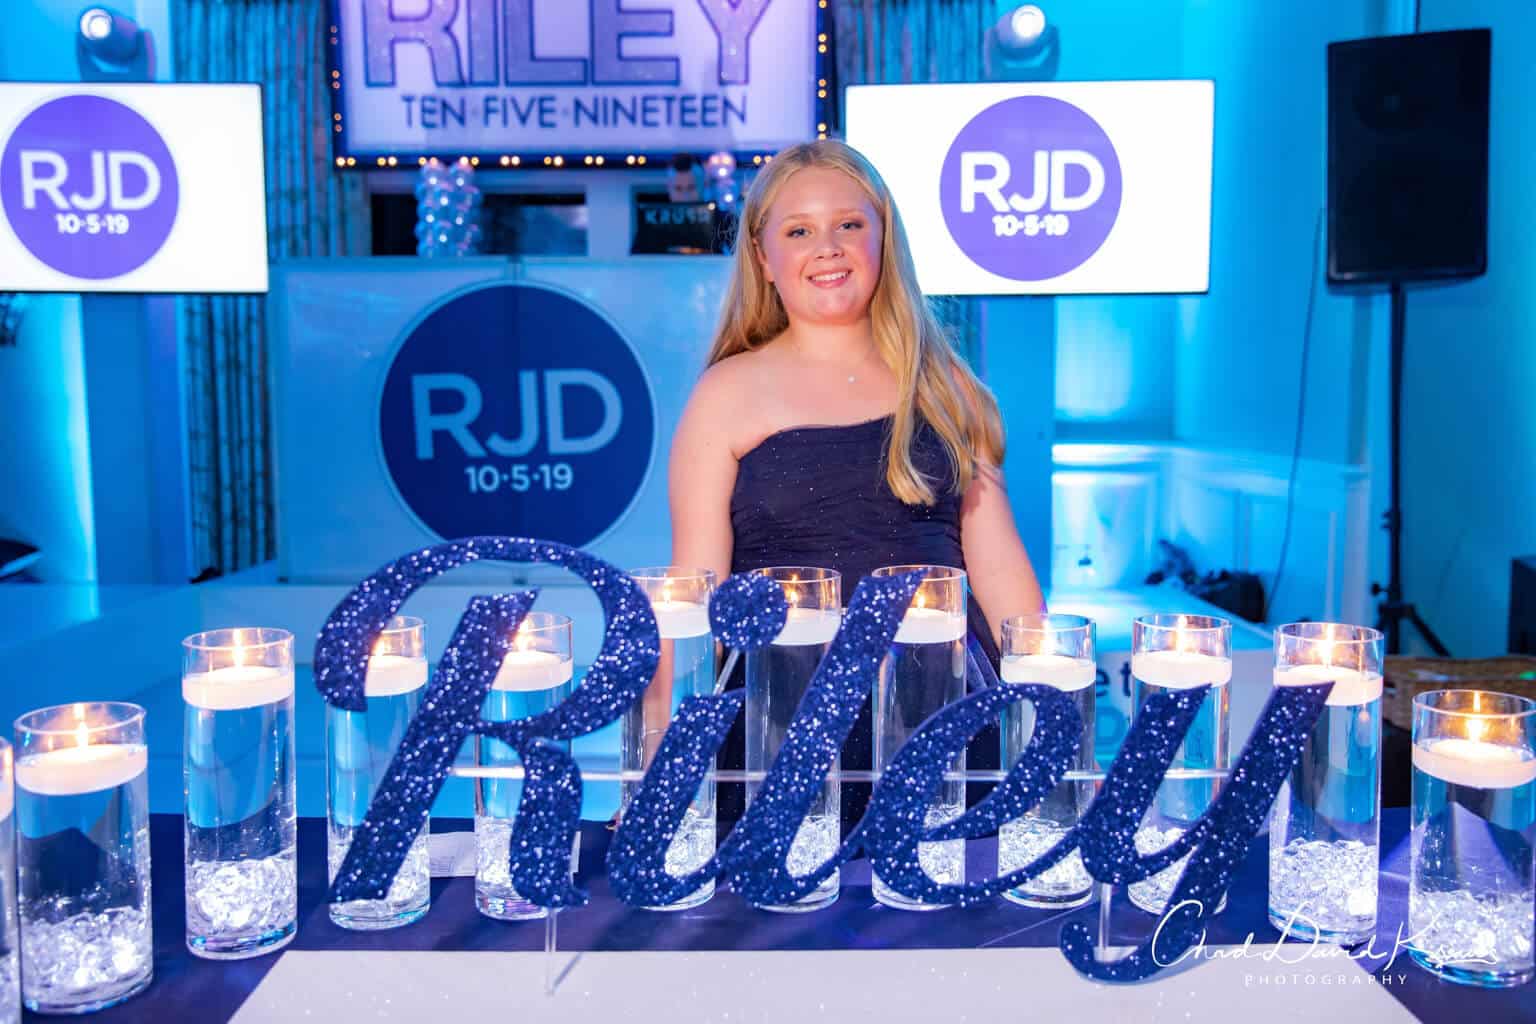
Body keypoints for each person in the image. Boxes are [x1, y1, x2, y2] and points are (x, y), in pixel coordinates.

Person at [667, 139, 1044, 832]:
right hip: (780, 741)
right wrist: (660, 778)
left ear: (882, 239)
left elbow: (1005, 583)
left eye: (849, 224)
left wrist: (1051, 736)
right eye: (799, 230)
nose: (828, 246)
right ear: (763, 259)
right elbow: (691, 604)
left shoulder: (945, 387)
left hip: (946, 732)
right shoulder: (725, 395)